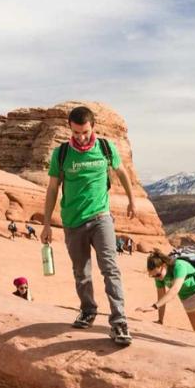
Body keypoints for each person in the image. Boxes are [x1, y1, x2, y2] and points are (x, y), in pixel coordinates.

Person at [41, 105, 138, 346]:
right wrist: (46, 224)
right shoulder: (61, 154)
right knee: (81, 273)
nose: (81, 138)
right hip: (73, 221)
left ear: (92, 127)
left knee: (110, 268)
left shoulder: (105, 148)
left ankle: (119, 321)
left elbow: (122, 172)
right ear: (70, 129)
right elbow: (52, 189)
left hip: (101, 217)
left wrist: (132, 199)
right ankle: (88, 309)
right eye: (76, 133)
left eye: (84, 132)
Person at [136, 249, 195, 335]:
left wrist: (154, 307)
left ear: (164, 266)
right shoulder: (159, 277)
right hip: (187, 295)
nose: (157, 277)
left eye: (158, 274)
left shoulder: (179, 265)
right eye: (153, 276)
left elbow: (175, 289)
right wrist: (160, 320)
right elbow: (161, 297)